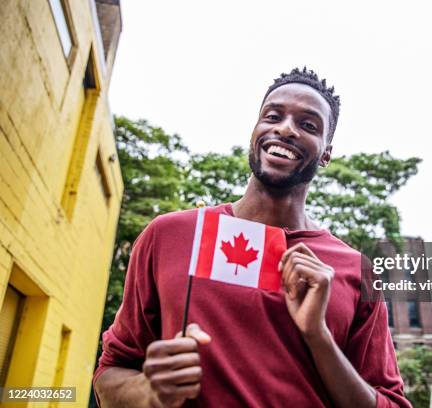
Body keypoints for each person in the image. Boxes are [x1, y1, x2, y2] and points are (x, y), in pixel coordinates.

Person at [93, 67, 412, 408]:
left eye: (308, 124)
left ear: (326, 153)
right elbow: (110, 374)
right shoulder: (169, 235)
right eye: (272, 116)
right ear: (256, 130)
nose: (285, 129)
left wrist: (318, 337)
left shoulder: (355, 270)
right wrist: (148, 392)